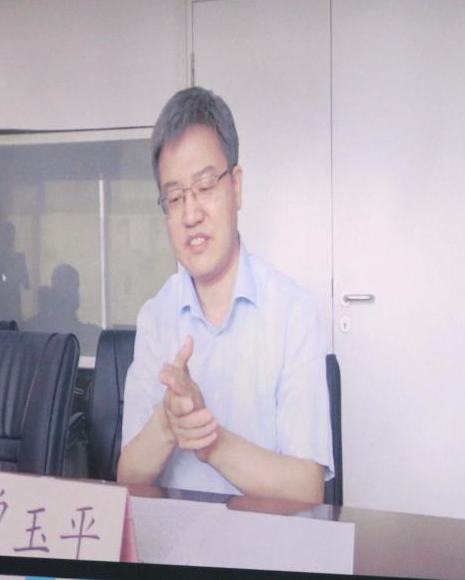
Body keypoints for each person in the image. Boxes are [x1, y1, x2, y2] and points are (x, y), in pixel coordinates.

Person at [117, 87, 332, 505]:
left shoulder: (293, 312)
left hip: (264, 544)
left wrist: (208, 439)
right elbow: (128, 475)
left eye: (204, 186)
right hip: (173, 543)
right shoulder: (156, 316)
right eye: (174, 197)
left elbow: (307, 488)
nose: (190, 213)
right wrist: (167, 424)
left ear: (236, 186)